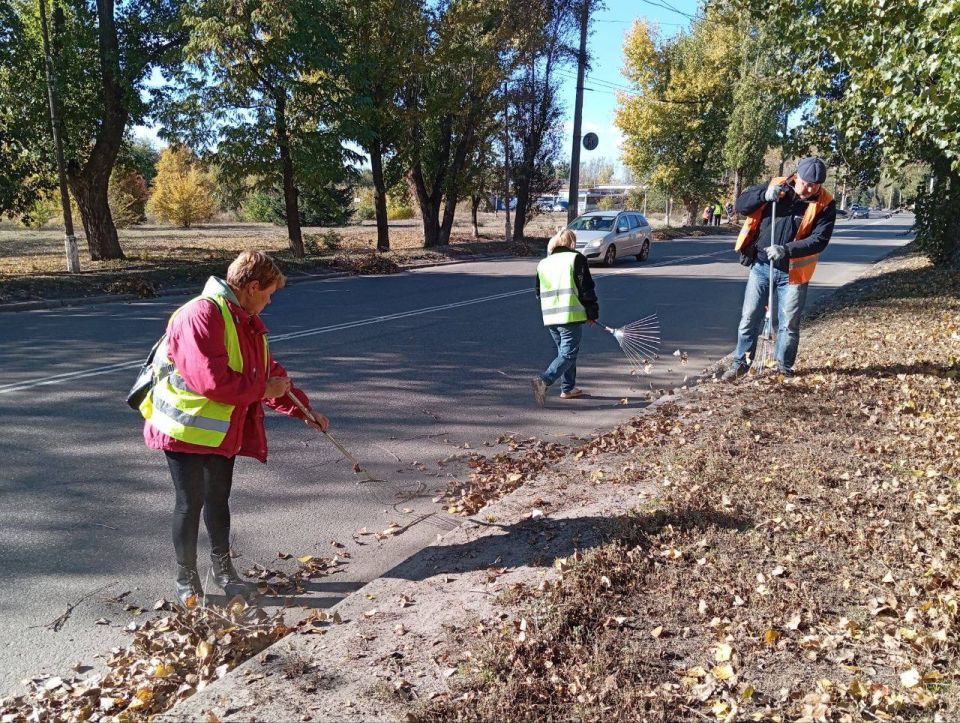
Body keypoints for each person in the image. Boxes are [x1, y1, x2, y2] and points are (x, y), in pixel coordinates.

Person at [139, 251, 329, 606]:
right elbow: (210, 380)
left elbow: (268, 374)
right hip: (183, 429)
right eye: (269, 293)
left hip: (219, 431)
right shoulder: (202, 314)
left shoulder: (244, 319)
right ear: (252, 287)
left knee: (218, 501)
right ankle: (187, 579)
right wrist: (261, 391)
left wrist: (304, 410)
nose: (270, 301)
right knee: (189, 503)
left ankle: (223, 570)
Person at [722, 157, 837, 380]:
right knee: (749, 318)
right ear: (797, 177)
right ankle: (740, 365)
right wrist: (764, 196)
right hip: (762, 267)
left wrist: (786, 249)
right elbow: (741, 205)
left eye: (815, 185)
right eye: (805, 183)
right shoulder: (777, 185)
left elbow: (819, 240)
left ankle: (783, 368)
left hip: (793, 273)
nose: (809, 189)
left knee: (789, 324)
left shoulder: (826, 204)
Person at [532, 229, 599, 405]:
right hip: (569, 314)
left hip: (550, 316)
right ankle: (544, 380)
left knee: (565, 353)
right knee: (568, 354)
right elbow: (586, 288)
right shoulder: (576, 259)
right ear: (572, 242)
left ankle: (568, 388)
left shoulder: (543, 263)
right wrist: (592, 312)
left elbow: (538, 292)